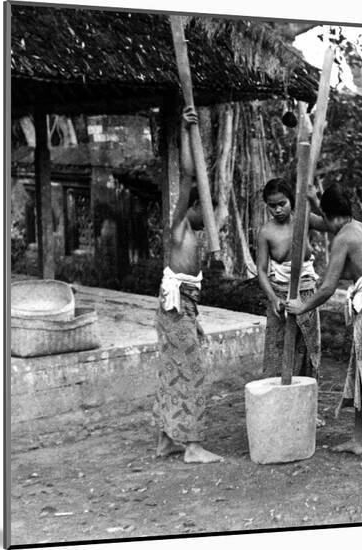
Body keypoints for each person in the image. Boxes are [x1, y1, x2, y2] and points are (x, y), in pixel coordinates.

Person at [285, 183, 362, 470]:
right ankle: (358, 441)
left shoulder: (344, 239)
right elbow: (332, 225)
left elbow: (327, 287)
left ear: (330, 214)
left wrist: (302, 306)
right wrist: (315, 199)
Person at [153, 106, 223, 464]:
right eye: (205, 207)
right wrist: (184, 128)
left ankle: (167, 439)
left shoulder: (193, 233)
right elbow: (186, 173)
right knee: (193, 372)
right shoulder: (179, 225)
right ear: (193, 207)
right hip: (175, 307)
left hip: (183, 307)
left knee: (175, 370)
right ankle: (192, 446)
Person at [256, 178, 329, 389]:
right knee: (277, 350)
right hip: (279, 294)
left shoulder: (304, 220)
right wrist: (273, 298)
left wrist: (314, 200)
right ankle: (275, 402)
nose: (278, 209)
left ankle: (305, 404)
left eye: (282, 204)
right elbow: (261, 269)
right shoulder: (266, 232)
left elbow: (329, 224)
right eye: (272, 205)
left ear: (291, 201)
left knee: (307, 349)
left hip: (306, 293)